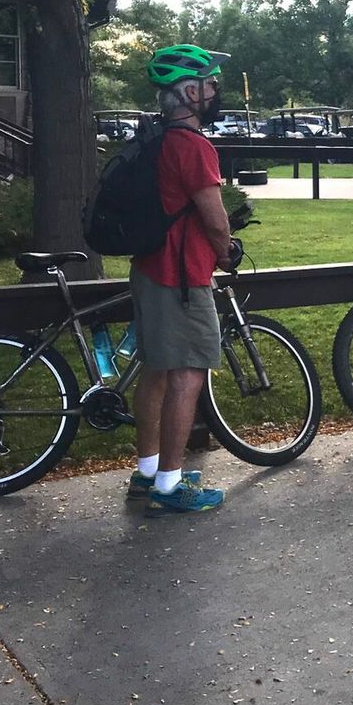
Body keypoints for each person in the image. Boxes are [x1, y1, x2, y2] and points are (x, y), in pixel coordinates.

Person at [129, 45, 238, 516]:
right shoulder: (193, 145)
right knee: (189, 372)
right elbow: (214, 217)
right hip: (182, 276)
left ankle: (149, 471)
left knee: (156, 368)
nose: (215, 92)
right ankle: (170, 485)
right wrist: (226, 251)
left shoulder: (156, 139)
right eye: (211, 84)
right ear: (191, 92)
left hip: (149, 268)